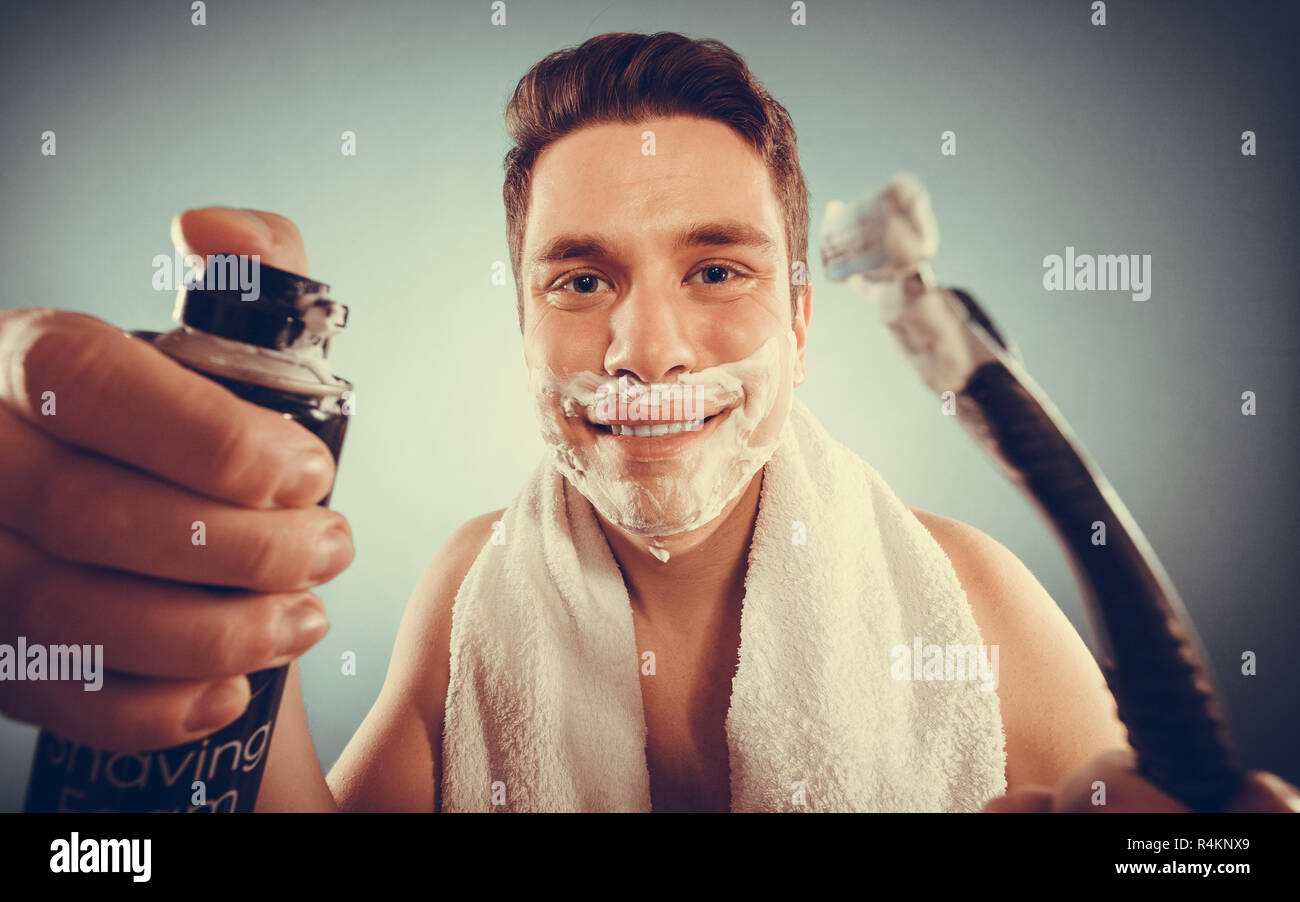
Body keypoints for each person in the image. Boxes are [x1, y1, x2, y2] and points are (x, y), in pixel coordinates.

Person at [0, 32, 1293, 813]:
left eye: (717, 269)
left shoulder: (975, 608)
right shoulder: (467, 593)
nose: (644, 346)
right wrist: (223, 609)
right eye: (580, 279)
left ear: (801, 317)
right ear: (524, 325)